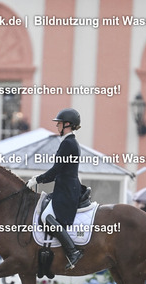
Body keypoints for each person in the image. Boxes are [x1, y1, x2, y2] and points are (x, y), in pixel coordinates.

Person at [27, 108, 84, 269]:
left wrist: (37, 180)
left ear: (68, 124)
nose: (57, 125)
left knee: (46, 216)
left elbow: (56, 170)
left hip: (67, 190)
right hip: (65, 187)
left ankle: (73, 251)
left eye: (59, 123)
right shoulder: (70, 142)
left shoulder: (68, 143)